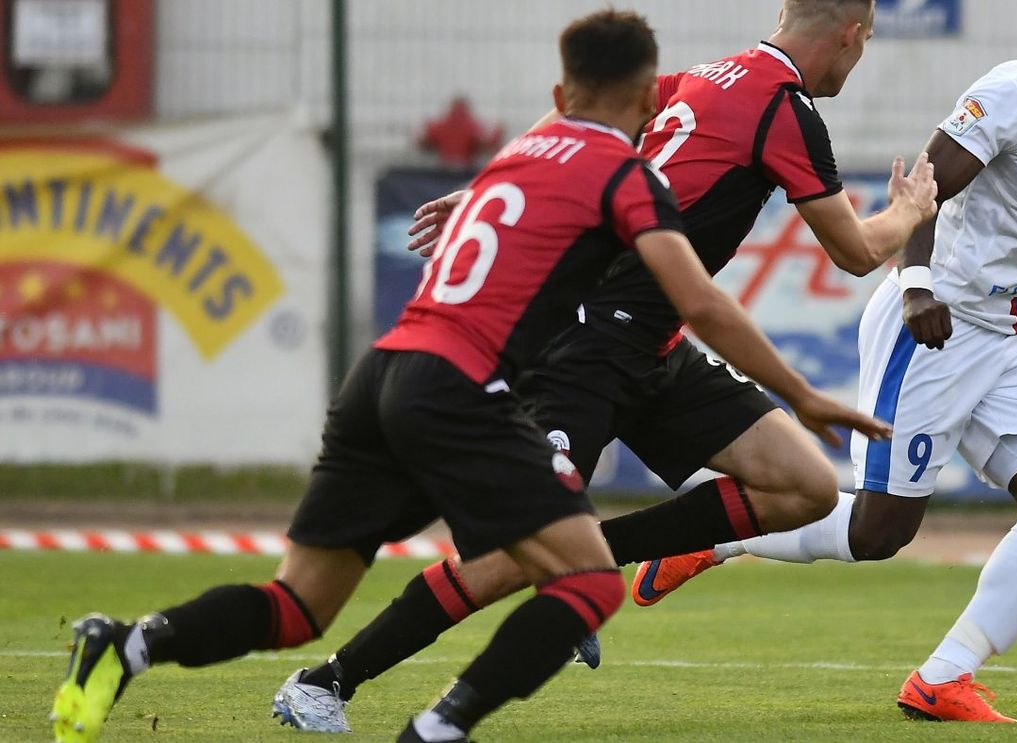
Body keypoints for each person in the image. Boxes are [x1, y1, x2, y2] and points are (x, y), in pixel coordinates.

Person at [49, 11, 888, 743]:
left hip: (394, 370)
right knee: (552, 575)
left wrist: (480, 188)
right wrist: (809, 388)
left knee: (300, 603)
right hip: (528, 367)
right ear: (643, 104)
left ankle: (130, 642)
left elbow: (543, 202)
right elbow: (705, 297)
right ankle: (399, 708)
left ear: (562, 97)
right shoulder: (625, 176)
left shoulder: (539, 154)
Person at [269, 0, 937, 733]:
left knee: (804, 485)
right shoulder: (784, 108)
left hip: (653, 347)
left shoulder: (707, 77)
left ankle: (590, 555)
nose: (860, 56)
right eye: (866, 42)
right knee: (501, 563)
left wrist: (495, 184)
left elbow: (575, 127)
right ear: (849, 32)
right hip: (581, 345)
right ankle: (327, 680)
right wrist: (909, 211)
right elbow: (856, 251)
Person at [636, 0, 1017, 724]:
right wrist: (917, 285)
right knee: (879, 532)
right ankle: (715, 534)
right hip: (933, 326)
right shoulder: (1012, 96)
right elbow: (925, 188)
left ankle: (943, 676)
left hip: (1008, 336)